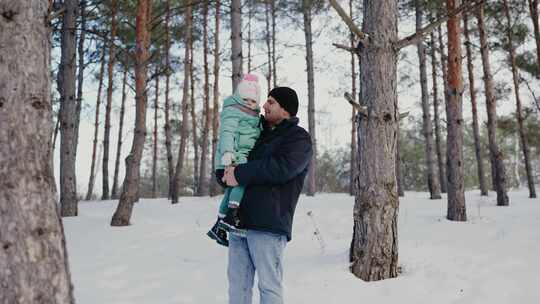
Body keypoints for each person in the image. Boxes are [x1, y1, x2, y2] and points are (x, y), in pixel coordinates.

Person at [220, 86, 313, 304]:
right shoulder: (257, 134)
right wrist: (224, 173)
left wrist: (239, 174)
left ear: (285, 109)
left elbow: (282, 168)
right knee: (237, 287)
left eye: (271, 102)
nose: (264, 105)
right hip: (239, 221)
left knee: (269, 287)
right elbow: (238, 155)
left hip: (268, 225)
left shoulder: (298, 138)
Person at [206, 74, 262, 247]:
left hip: (240, 158)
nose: (250, 104)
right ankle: (231, 215)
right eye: (246, 99)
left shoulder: (254, 116)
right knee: (241, 182)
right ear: (239, 97)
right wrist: (228, 154)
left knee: (232, 190)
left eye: (253, 101)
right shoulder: (233, 111)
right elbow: (227, 133)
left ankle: (220, 224)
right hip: (231, 159)